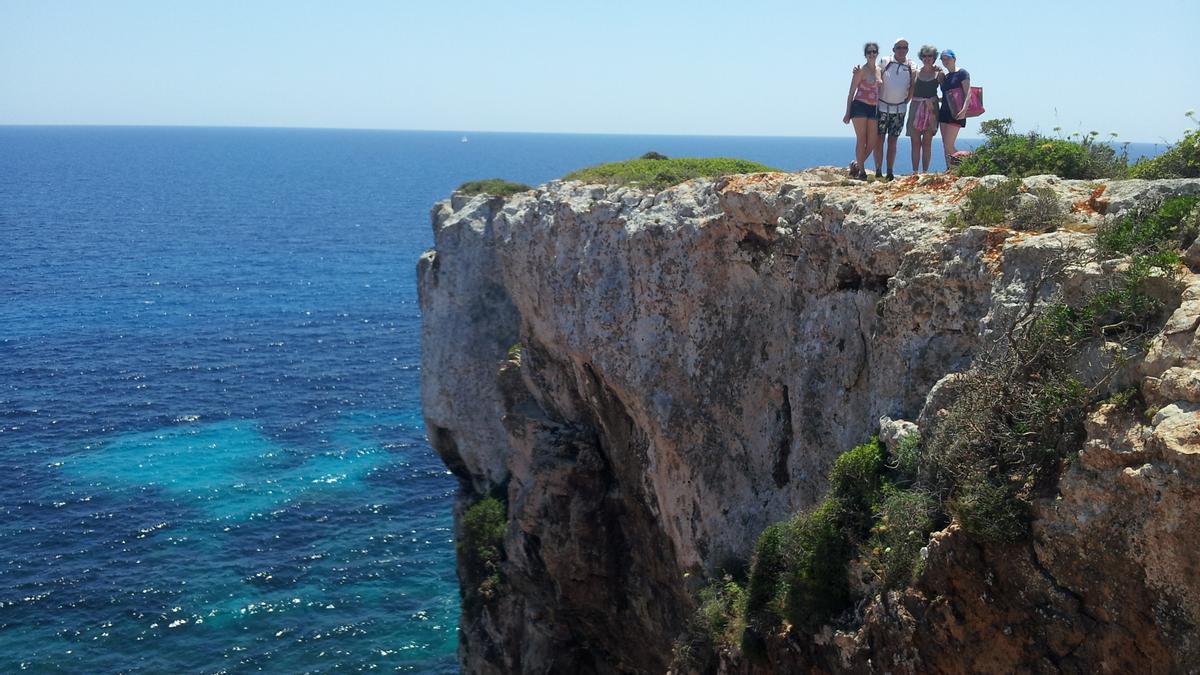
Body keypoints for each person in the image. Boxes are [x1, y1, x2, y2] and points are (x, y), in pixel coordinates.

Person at [876, 38, 916, 181]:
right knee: (879, 139)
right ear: (893, 49)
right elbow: (875, 71)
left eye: (905, 47)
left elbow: (913, 85)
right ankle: (878, 170)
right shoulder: (885, 61)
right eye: (899, 47)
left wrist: (906, 101)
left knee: (893, 141)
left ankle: (890, 171)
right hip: (882, 107)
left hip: (899, 110)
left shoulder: (911, 65)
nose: (902, 50)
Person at [843, 42, 881, 180]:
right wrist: (848, 112)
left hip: (874, 108)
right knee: (861, 139)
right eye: (869, 52)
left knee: (872, 141)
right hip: (859, 106)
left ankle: (857, 164)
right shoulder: (860, 70)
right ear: (865, 55)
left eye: (874, 51)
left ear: (877, 53)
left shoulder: (879, 69)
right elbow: (851, 92)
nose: (871, 54)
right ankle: (862, 172)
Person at [907, 45, 942, 174]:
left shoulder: (939, 74)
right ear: (921, 57)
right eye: (925, 56)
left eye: (930, 56)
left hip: (931, 109)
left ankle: (925, 172)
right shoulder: (915, 73)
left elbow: (947, 91)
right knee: (915, 142)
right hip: (916, 108)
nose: (927, 58)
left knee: (927, 142)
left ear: (934, 58)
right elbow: (909, 90)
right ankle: (915, 172)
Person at [938, 49, 971, 170]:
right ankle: (950, 169)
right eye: (943, 59)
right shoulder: (946, 77)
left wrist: (964, 110)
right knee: (945, 145)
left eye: (948, 58)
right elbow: (948, 97)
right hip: (944, 112)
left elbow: (968, 93)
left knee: (949, 144)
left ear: (954, 59)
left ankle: (966, 164)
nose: (946, 61)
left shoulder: (962, 73)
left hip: (957, 113)